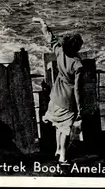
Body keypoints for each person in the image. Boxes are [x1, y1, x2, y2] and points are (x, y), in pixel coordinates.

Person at [33, 17, 84, 164]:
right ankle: (63, 155)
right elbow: (78, 90)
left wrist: (43, 24)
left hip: (55, 95)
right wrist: (80, 109)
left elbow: (50, 38)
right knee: (66, 129)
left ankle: (57, 149)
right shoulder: (77, 65)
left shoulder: (60, 52)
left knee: (58, 127)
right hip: (68, 99)